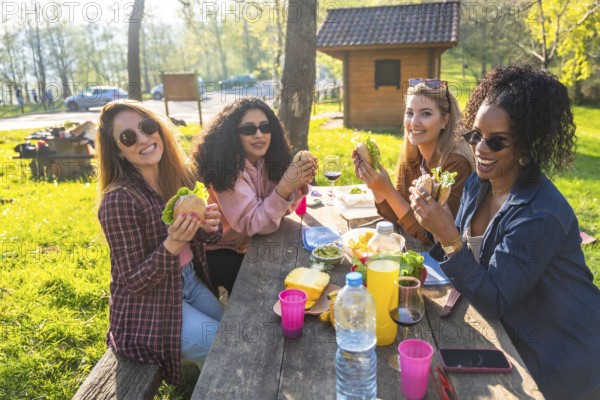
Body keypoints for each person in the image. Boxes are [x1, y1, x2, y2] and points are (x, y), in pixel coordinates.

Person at [409, 65, 600, 400]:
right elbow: (463, 262)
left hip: (562, 363)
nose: (480, 149)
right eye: (475, 135)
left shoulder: (539, 213)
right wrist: (434, 231)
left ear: (527, 146)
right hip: (509, 341)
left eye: (496, 142)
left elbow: (494, 299)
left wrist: (448, 235)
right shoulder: (477, 184)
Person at [96, 101, 223, 386]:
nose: (143, 139)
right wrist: (174, 242)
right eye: (128, 137)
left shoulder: (177, 178)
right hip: (147, 307)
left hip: (187, 281)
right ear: (119, 151)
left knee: (231, 332)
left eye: (147, 127)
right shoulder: (119, 200)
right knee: (221, 344)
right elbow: (132, 281)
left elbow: (205, 239)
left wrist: (209, 227)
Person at [191, 97, 316, 294]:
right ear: (233, 135)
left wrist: (297, 183)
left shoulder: (265, 161)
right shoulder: (225, 170)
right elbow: (254, 224)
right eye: (249, 129)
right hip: (221, 251)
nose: (259, 134)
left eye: (265, 127)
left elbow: (278, 211)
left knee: (304, 260)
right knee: (270, 286)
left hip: (252, 242)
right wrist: (285, 186)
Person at [353, 78, 474, 244]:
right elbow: (395, 217)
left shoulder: (455, 164)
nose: (414, 122)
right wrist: (374, 184)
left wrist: (387, 189)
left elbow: (430, 237)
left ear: (444, 120)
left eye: (426, 114)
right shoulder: (413, 156)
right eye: (410, 112)